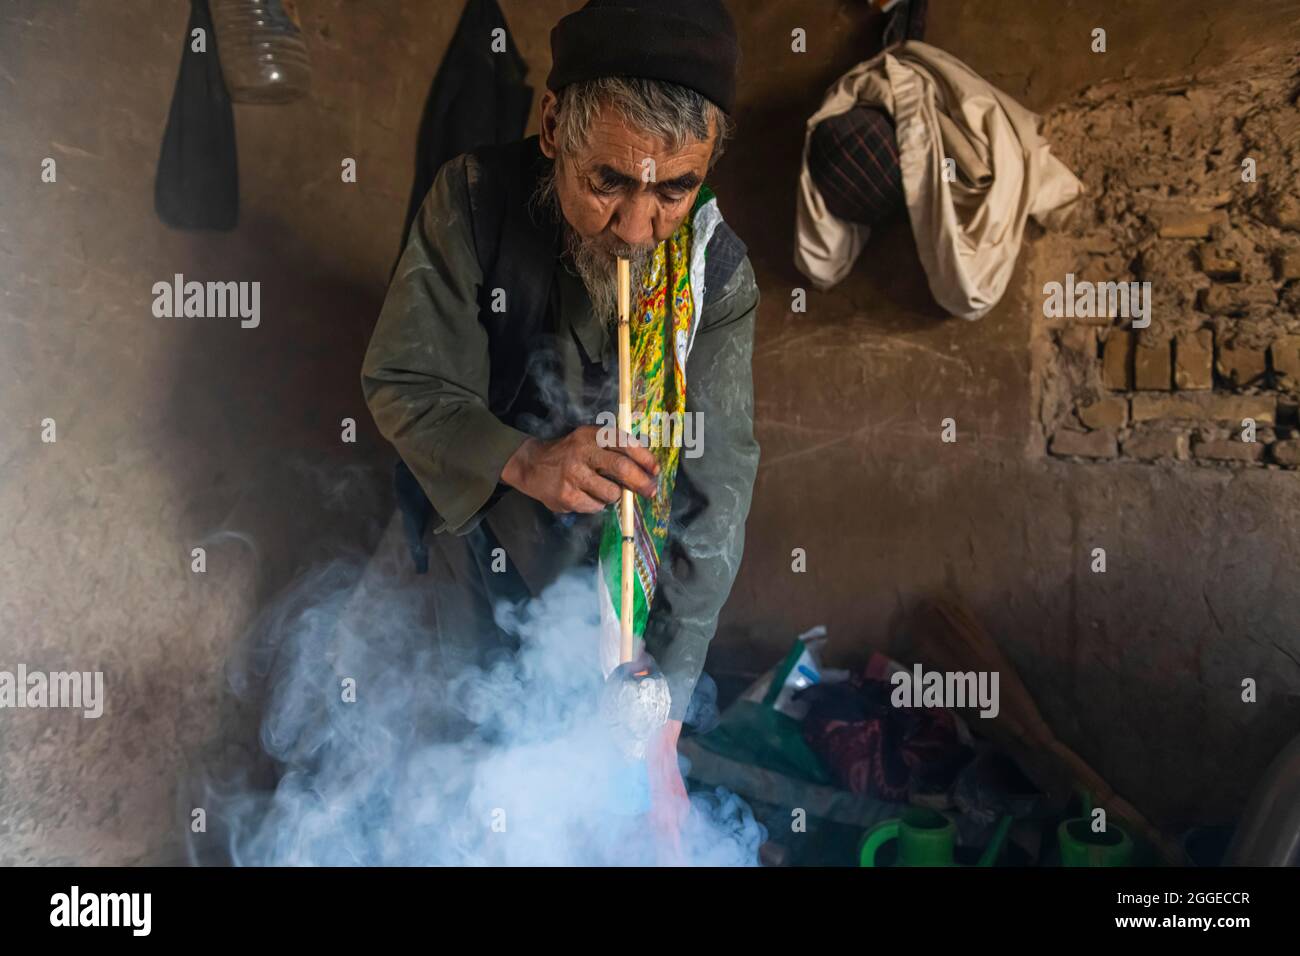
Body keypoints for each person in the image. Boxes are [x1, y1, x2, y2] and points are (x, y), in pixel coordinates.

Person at [361, 0, 759, 850]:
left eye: (674, 190)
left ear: (706, 167)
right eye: (607, 181)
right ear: (552, 126)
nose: (636, 227)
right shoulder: (471, 199)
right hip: (478, 537)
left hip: (624, 585)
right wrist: (524, 458)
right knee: (477, 782)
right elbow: (403, 378)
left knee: (609, 801)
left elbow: (716, 490)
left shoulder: (714, 272)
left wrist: (667, 707)